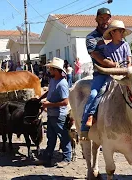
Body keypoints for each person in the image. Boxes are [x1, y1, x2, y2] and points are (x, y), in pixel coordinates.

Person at [81, 7, 118, 140]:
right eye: (101, 18)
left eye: (107, 18)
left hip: (118, 73)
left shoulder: (115, 34)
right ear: (96, 19)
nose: (104, 21)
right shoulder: (91, 38)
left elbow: (124, 50)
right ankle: (85, 126)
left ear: (110, 19)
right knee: (94, 94)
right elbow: (96, 56)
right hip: (101, 73)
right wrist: (112, 65)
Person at [37, 57, 72, 167]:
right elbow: (49, 92)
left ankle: (67, 158)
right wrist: (39, 99)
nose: (49, 71)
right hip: (52, 114)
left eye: (51, 69)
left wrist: (49, 105)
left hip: (58, 115)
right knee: (51, 138)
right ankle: (47, 157)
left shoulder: (62, 84)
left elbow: (65, 102)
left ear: (56, 70)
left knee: (63, 136)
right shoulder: (53, 80)